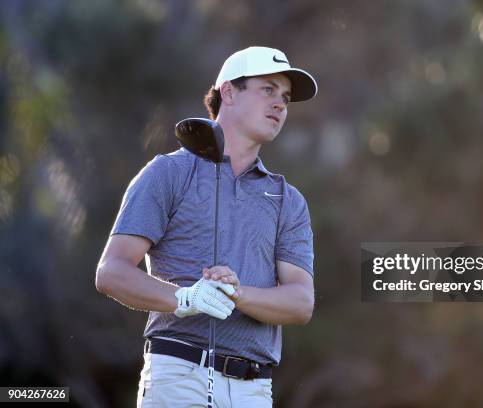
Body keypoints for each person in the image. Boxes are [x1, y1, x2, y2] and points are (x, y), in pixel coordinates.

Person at [95, 46, 317, 407]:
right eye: (268, 89)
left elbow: (300, 302)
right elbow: (112, 272)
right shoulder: (168, 173)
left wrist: (236, 294)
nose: (280, 104)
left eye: (286, 98)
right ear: (228, 92)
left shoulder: (287, 200)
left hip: (254, 389)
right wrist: (186, 298)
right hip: (177, 376)